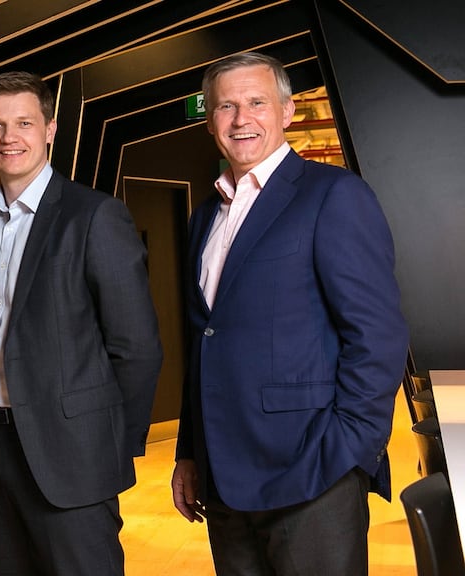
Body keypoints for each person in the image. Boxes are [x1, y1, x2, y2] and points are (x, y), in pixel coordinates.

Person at [171, 52, 409, 575]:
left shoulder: (334, 195)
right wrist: (189, 451)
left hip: (312, 471)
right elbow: (203, 344)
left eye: (256, 103)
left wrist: (348, 450)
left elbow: (378, 336)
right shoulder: (205, 216)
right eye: (226, 106)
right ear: (209, 119)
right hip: (224, 477)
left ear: (288, 111)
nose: (241, 119)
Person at [0, 71, 163, 575]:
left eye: (24, 123)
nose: (10, 138)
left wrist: (109, 444)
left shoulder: (93, 216)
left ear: (50, 129)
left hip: (74, 457)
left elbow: (137, 347)